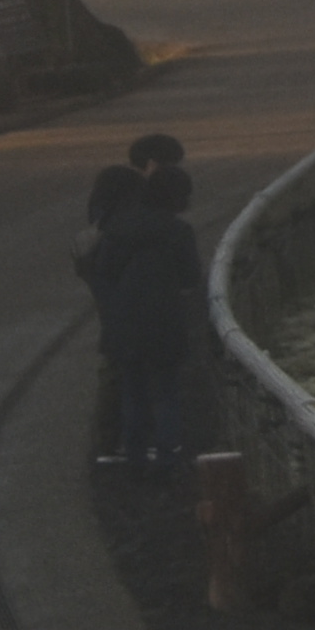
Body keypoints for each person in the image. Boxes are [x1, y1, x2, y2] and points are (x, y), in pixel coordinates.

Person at [72, 131, 186, 455]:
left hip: (113, 297)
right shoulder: (141, 199)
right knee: (155, 382)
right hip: (143, 302)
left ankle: (119, 445)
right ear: (153, 164)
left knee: (124, 372)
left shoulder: (109, 187)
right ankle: (159, 447)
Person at [96, 164, 206, 476]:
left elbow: (105, 270)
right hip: (165, 320)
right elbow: (191, 276)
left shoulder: (118, 229)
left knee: (134, 390)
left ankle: (135, 455)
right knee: (167, 390)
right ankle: (168, 455)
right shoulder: (179, 232)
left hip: (125, 321)